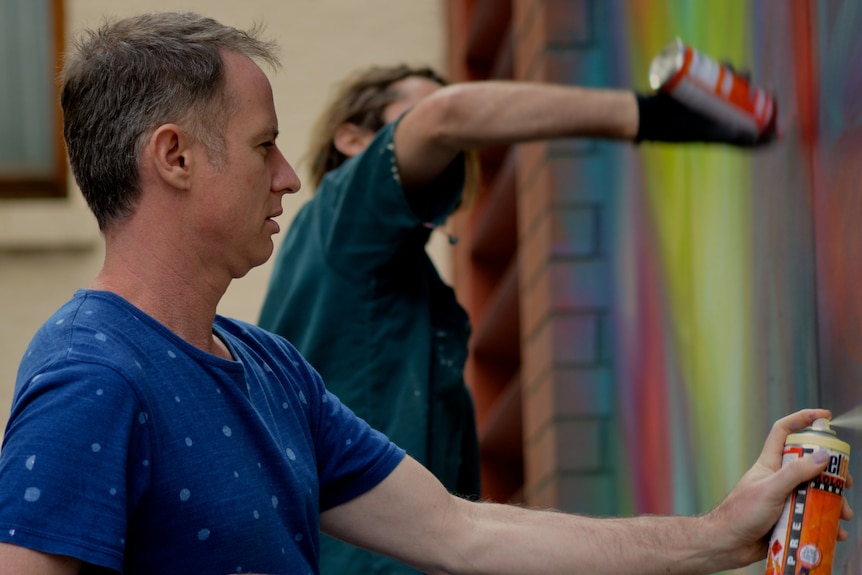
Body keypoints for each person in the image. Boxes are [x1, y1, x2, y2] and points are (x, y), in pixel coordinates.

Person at [0, 11, 851, 575]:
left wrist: (714, 532)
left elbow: (462, 529)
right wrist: (655, 114)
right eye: (264, 147)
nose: (290, 177)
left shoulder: (274, 371)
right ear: (175, 157)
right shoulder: (94, 377)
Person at [256, 44, 777, 575]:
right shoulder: (343, 220)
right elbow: (448, 117)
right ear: (353, 139)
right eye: (414, 116)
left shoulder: (378, 279)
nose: (459, 146)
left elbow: (457, 529)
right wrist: (648, 115)